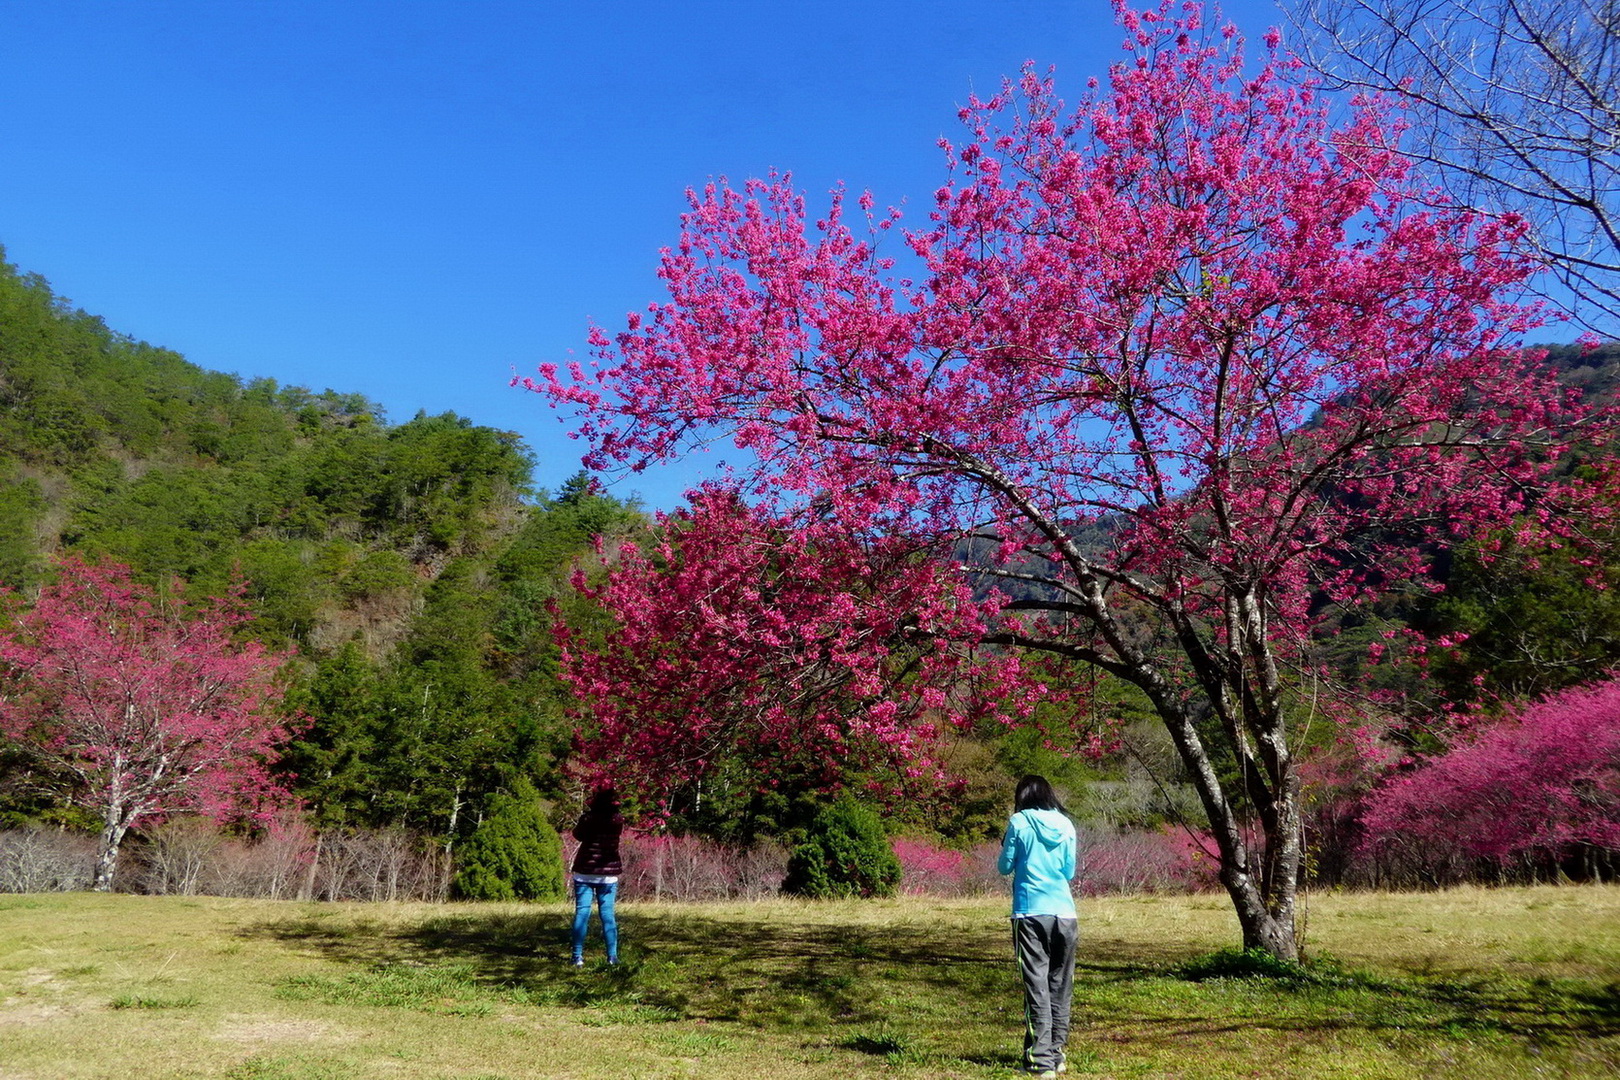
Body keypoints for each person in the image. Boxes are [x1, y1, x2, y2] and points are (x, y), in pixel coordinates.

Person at [998, 774, 1078, 1079]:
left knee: (1037, 988)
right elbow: (1069, 872)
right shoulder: (1066, 824)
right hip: (1065, 914)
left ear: (1022, 796)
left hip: (1030, 913)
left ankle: (1040, 1061)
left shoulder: (1018, 822)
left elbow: (1004, 866)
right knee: (1060, 985)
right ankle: (1056, 1054)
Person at [569, 786, 623, 966]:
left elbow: (577, 835)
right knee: (607, 915)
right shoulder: (617, 819)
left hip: (584, 871)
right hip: (608, 873)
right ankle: (612, 957)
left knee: (582, 913)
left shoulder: (588, 818)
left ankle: (577, 957)